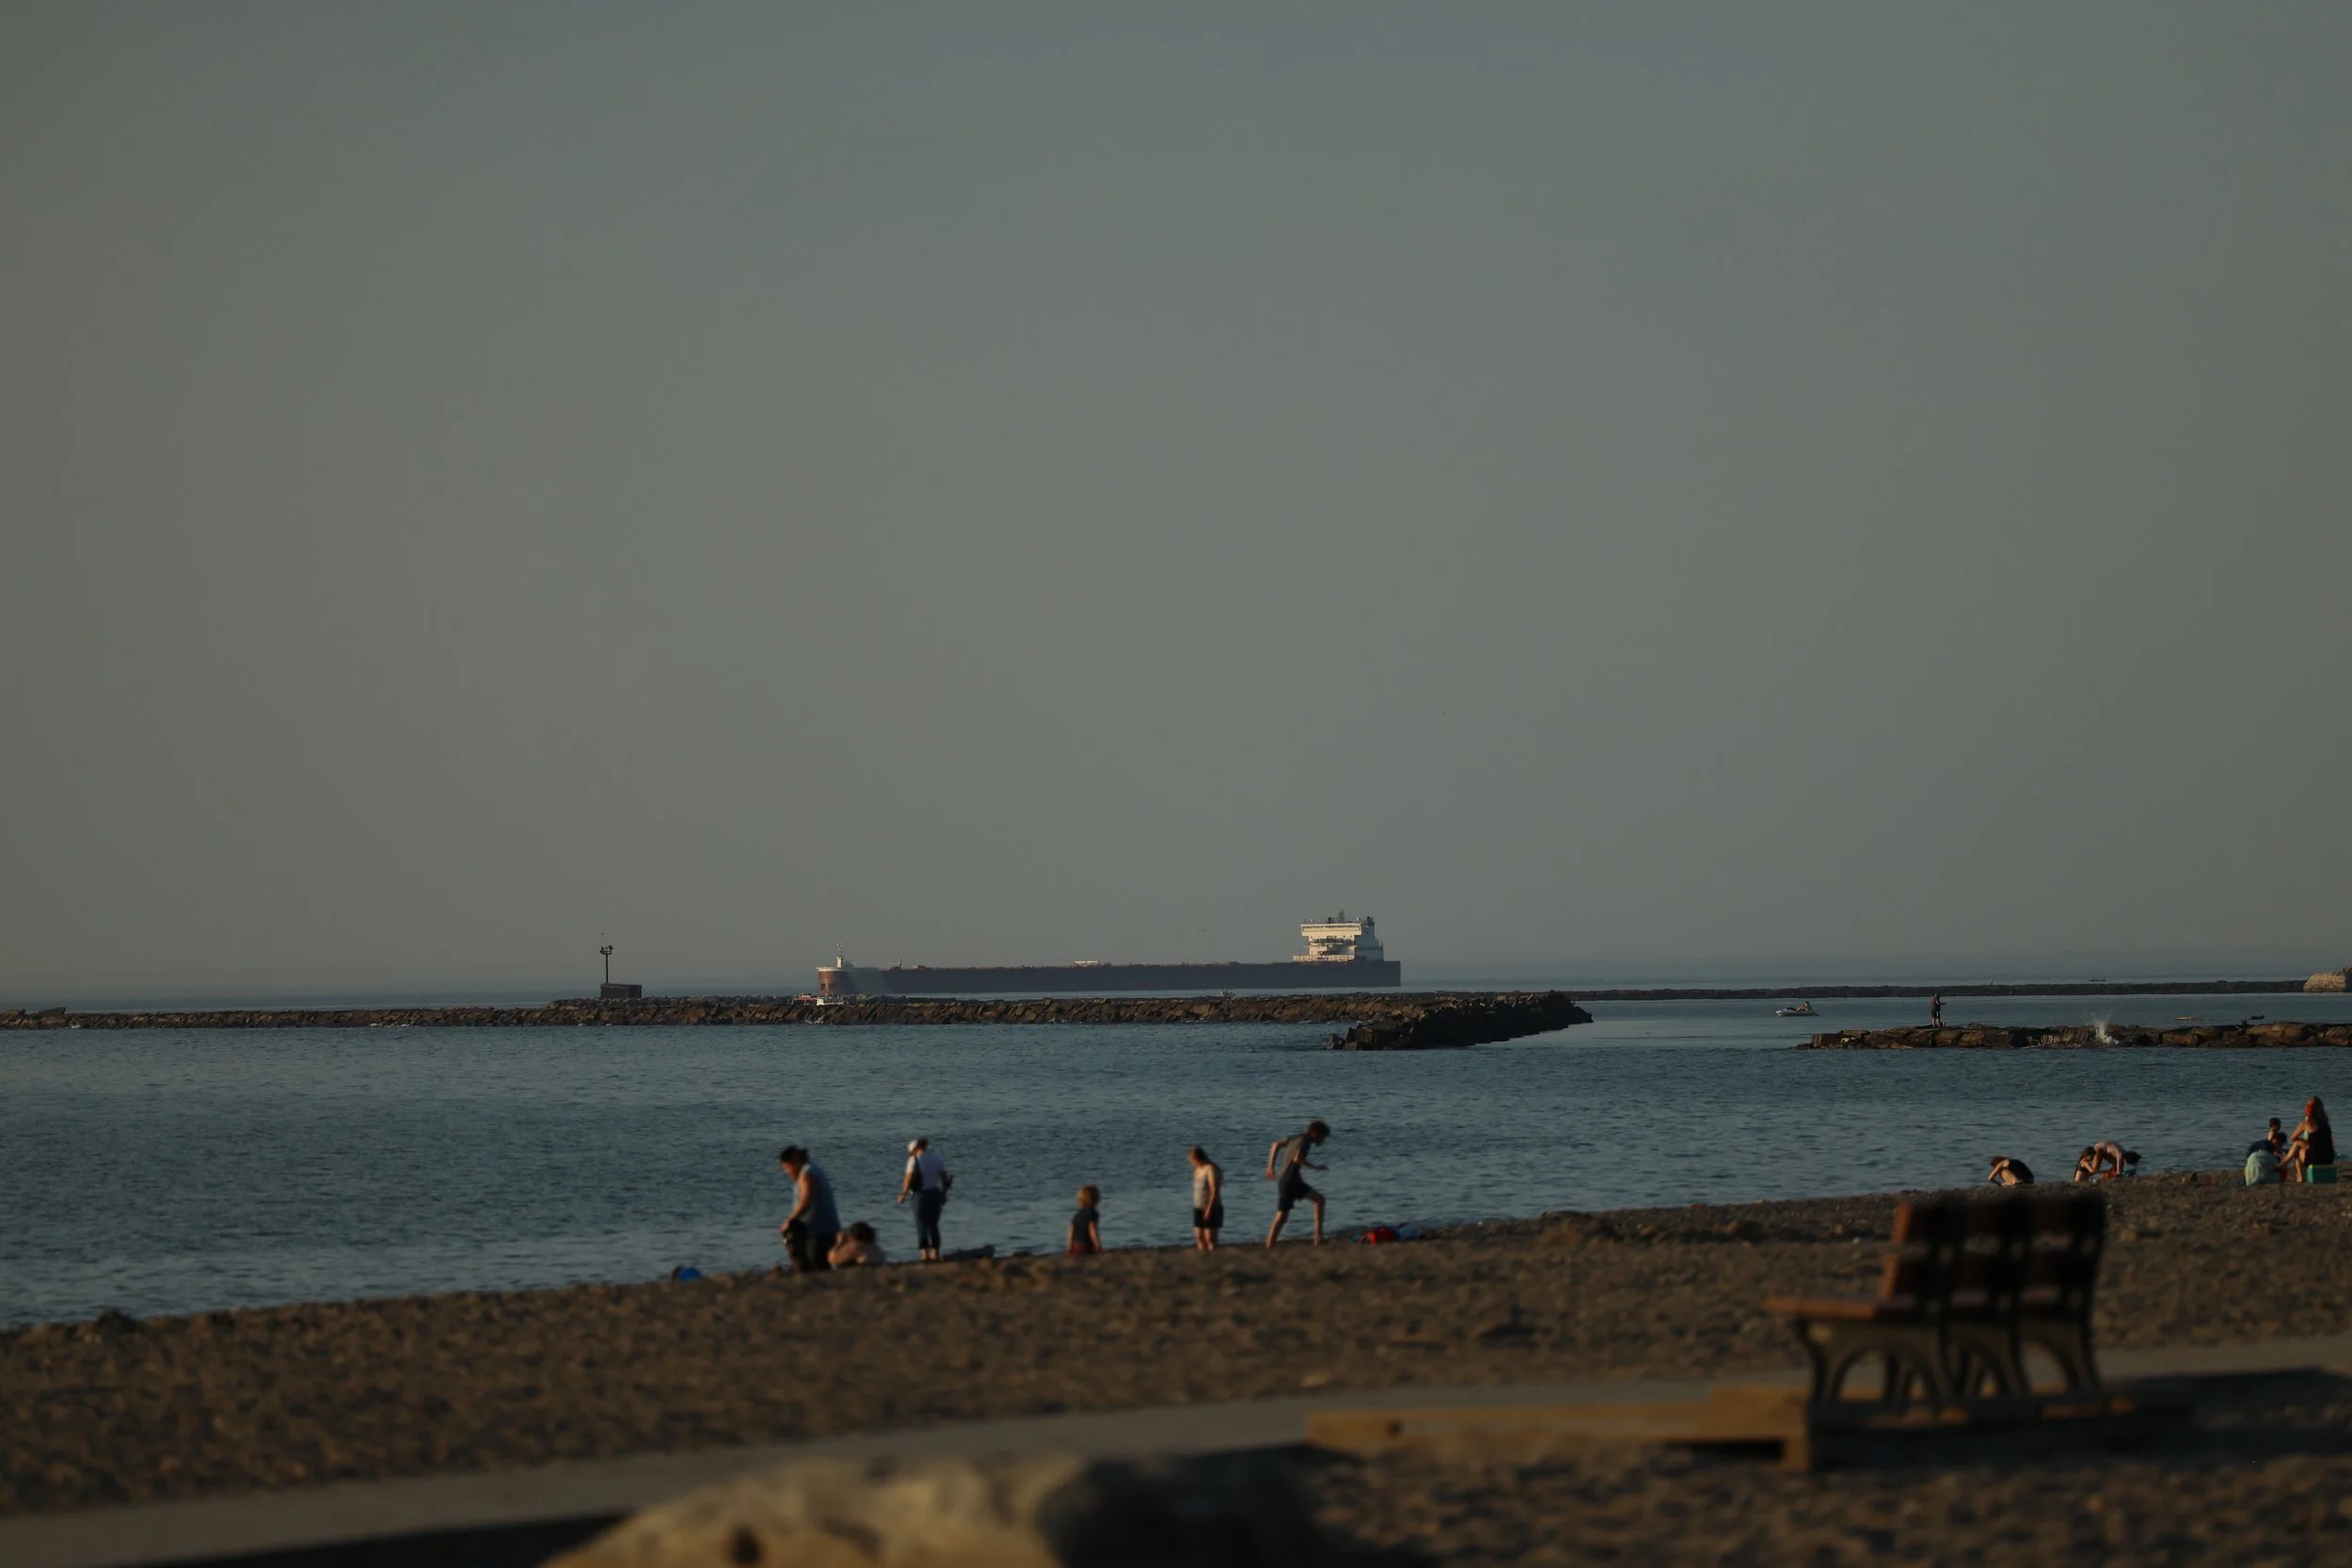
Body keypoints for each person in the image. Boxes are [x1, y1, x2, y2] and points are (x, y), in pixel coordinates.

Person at [1264, 1119, 1330, 1246]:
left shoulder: (1296, 1138)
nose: (1322, 1140)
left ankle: (1269, 1244)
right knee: (1319, 1200)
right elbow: (1298, 1159)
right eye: (1322, 1137)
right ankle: (1318, 1237)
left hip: (1285, 1181)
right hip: (1291, 1181)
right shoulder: (1305, 1142)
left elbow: (1275, 1144)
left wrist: (1270, 1166)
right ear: (1315, 1133)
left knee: (1282, 1216)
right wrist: (1316, 1167)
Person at [777, 1146, 842, 1274]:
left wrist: (790, 1220)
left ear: (794, 1162)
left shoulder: (808, 1173)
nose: (788, 1173)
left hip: (820, 1231)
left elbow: (807, 1199)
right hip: (815, 1231)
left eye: (787, 1168)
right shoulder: (809, 1170)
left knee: (819, 1267)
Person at [898, 1137, 949, 1261]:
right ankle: (936, 1252)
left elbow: (908, 1179)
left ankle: (924, 1253)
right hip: (935, 1193)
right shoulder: (937, 1158)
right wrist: (943, 1193)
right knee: (933, 1224)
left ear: (915, 1149)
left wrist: (903, 1194)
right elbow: (944, 1178)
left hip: (919, 1195)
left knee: (921, 1224)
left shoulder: (913, 1160)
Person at [2283, 1097, 2335, 1182]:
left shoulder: (2306, 1123)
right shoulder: (2326, 1124)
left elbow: (2293, 1138)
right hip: (2329, 1159)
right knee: (2300, 1146)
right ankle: (2286, 1165)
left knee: (2297, 1145)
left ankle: (2296, 1173)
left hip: (2315, 1159)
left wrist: (2302, 1142)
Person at [1188, 1146, 1224, 1251]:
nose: (1190, 1162)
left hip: (1211, 1207)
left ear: (1197, 1158)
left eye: (1191, 1160)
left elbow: (1214, 1190)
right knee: (1199, 1236)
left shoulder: (1210, 1169)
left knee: (1210, 1238)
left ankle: (1213, 1256)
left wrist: (1209, 1208)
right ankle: (1203, 1256)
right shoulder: (1197, 1170)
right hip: (1198, 1206)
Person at [2074, 1141, 2138, 1181]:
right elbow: (2093, 1170)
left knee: (2116, 1166)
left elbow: (2119, 1165)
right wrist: (2117, 1172)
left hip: (2105, 1149)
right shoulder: (2120, 1154)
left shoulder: (2122, 1153)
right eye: (2092, 1157)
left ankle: (2109, 1175)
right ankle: (2108, 1175)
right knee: (2095, 1168)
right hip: (2100, 1148)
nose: (2092, 1159)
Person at [1067, 1184, 1103, 1256]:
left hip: (1075, 1246)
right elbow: (1092, 1229)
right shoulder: (1093, 1213)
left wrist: (1069, 1246)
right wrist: (1098, 1245)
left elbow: (1071, 1229)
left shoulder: (1077, 1214)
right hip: (1086, 1246)